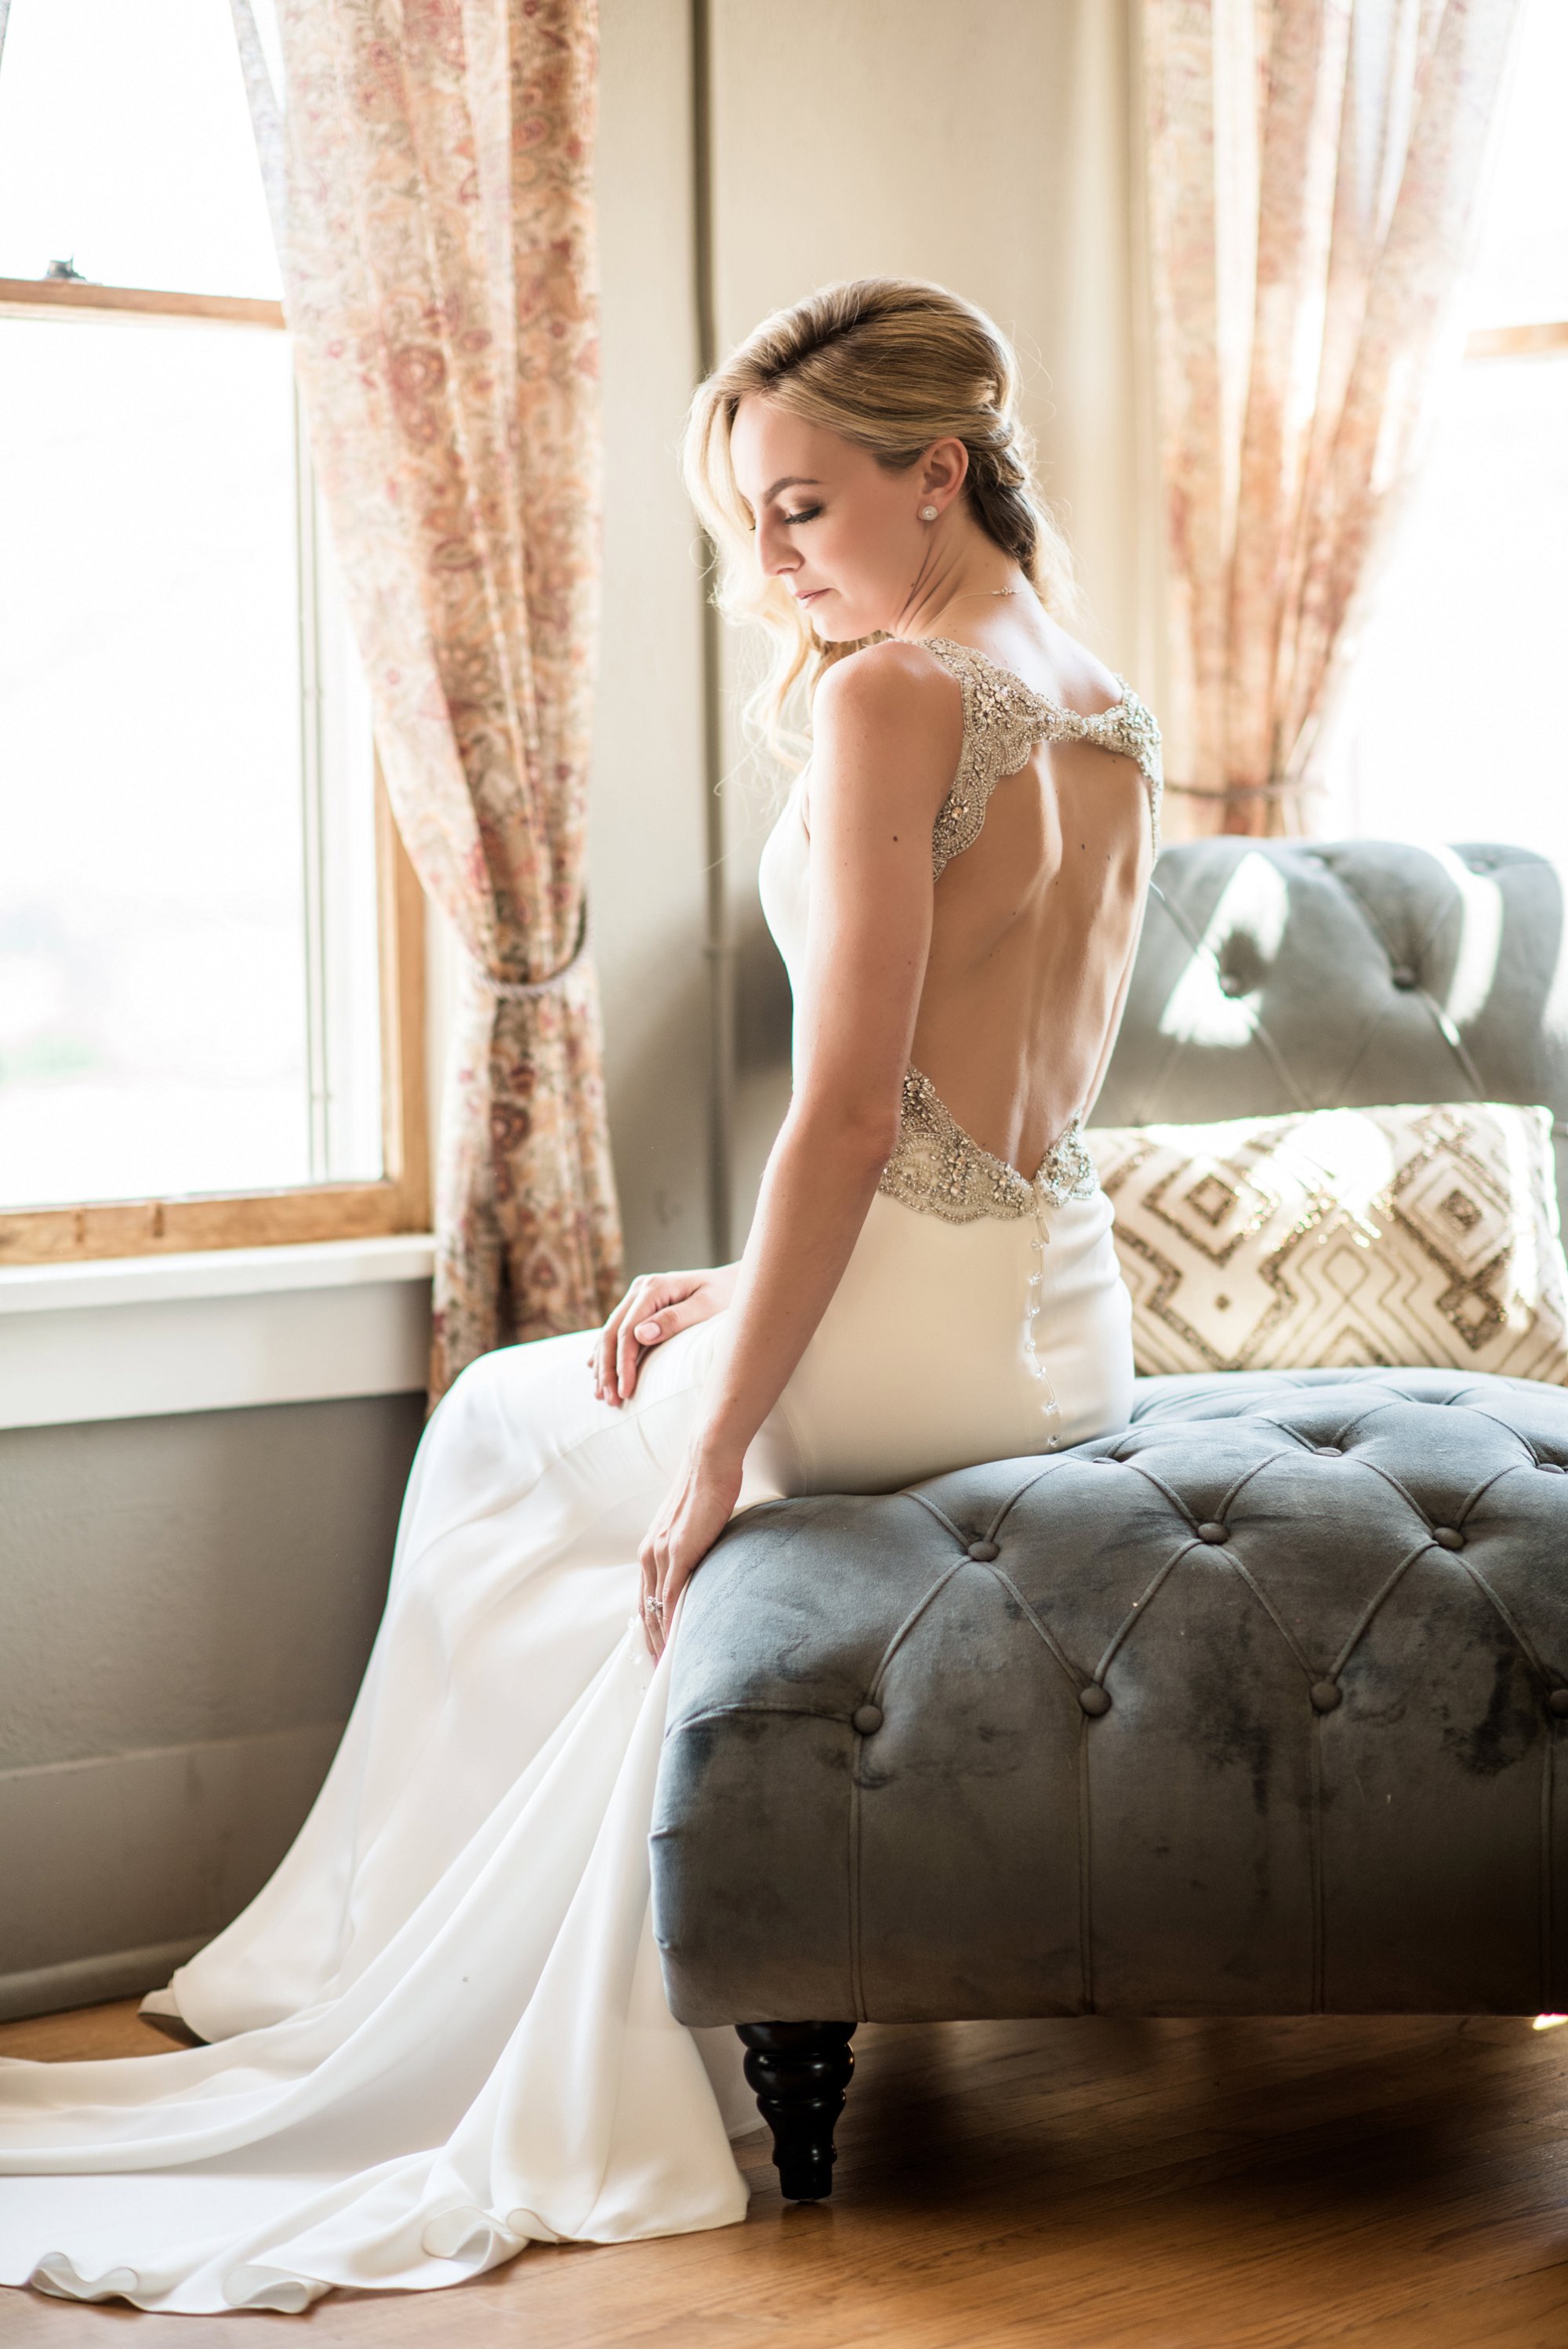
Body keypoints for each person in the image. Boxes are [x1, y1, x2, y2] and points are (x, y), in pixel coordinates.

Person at [0, 278, 1161, 2314]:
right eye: (749, 521)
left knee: (493, 1428)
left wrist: (720, 1448)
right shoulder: (1099, 697)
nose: (772, 564)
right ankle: (457, 1971)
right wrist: (744, 1286)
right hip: (1060, 1337)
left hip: (898, 1351)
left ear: (939, 472)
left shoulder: (902, 696)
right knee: (567, 1468)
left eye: (800, 508)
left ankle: (362, 1984)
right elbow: (988, 1111)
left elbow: (852, 1115)